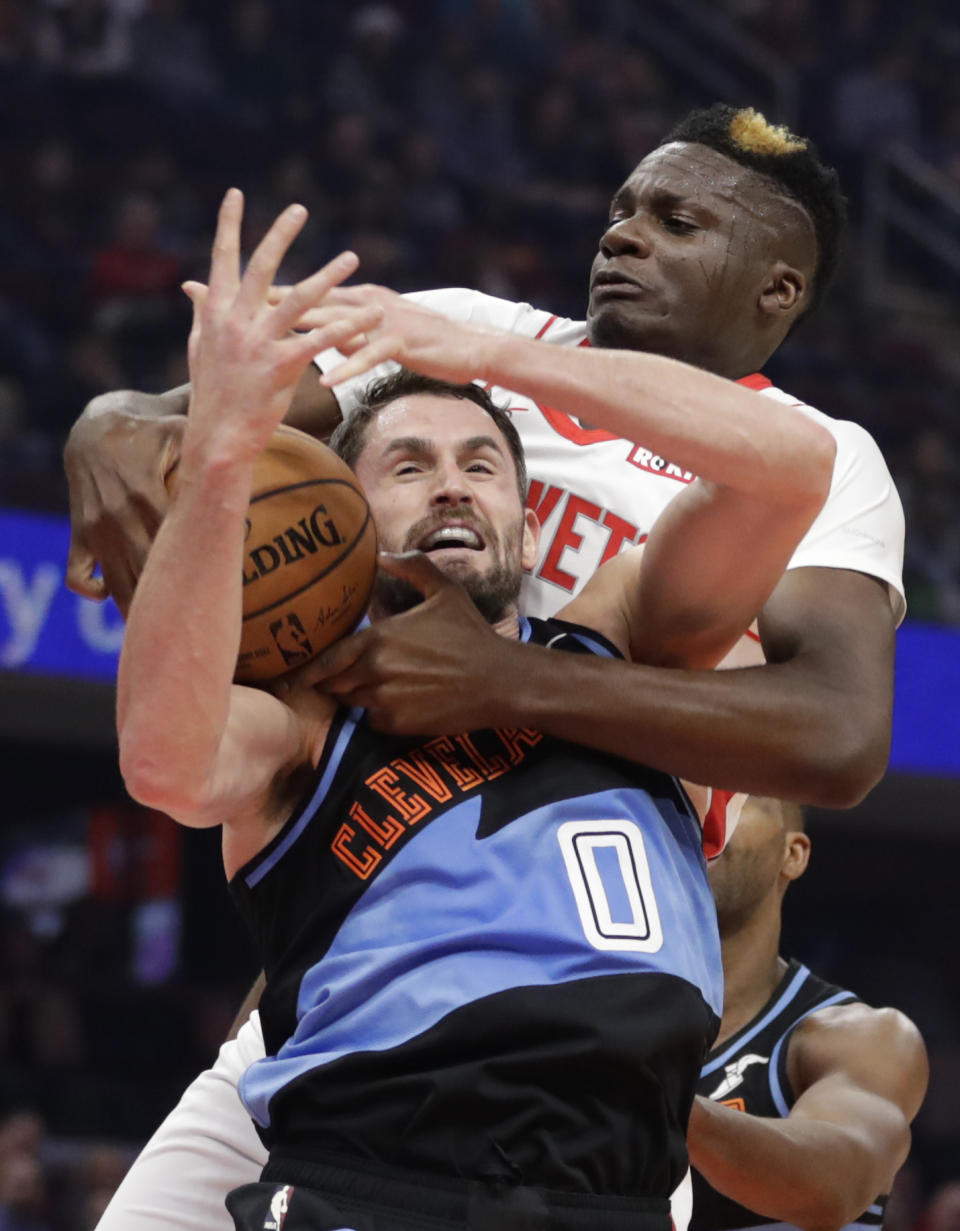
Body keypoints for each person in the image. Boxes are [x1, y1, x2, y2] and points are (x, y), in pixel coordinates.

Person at [86, 104, 904, 1231]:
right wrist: (114, 423)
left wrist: (510, 681)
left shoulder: (789, 478)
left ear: (777, 290)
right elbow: (197, 431)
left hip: (593, 1000)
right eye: (621, 210)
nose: (623, 236)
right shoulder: (463, 343)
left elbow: (839, 737)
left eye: (675, 221)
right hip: (361, 924)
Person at [683, 798, 927, 1231]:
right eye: (694, 797)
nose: (709, 812)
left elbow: (838, 1186)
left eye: (735, 797)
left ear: (792, 854)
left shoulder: (861, 1036)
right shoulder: (598, 1019)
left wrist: (663, 1106)